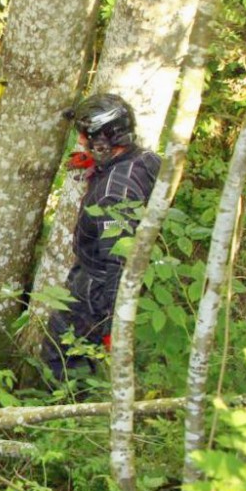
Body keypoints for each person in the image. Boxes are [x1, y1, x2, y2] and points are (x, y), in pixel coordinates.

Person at [43, 93, 161, 383]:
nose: (81, 142)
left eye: (86, 137)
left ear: (104, 141)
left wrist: (112, 325)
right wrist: (96, 164)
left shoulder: (113, 195)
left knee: (61, 350)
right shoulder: (145, 161)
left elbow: (118, 263)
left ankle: (67, 402)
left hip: (96, 288)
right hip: (120, 273)